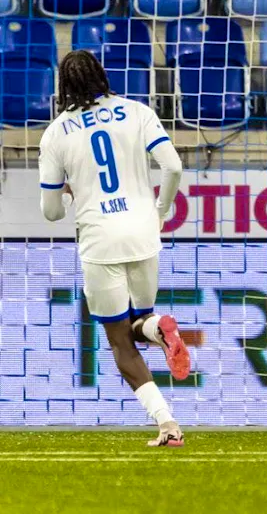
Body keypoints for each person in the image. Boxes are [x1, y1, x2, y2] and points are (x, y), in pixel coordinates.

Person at [37, 50, 188, 447]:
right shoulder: (137, 112)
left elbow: (50, 212)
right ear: (102, 77)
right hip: (143, 232)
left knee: (121, 340)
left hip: (100, 241)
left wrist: (69, 196)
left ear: (63, 86)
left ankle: (167, 425)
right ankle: (161, 328)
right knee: (141, 326)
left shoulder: (56, 133)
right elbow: (173, 167)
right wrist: (161, 209)